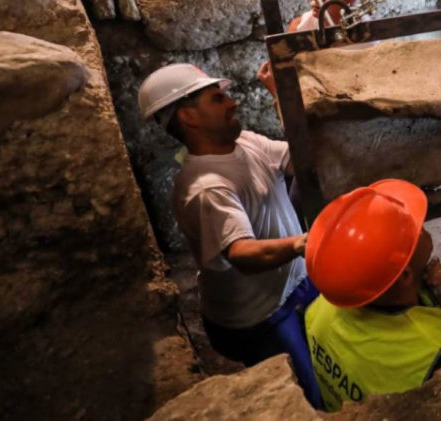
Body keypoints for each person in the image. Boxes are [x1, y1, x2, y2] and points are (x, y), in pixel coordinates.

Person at [137, 63, 322, 408]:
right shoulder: (207, 186)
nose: (233, 103)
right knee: (307, 397)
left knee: (334, 352)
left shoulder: (247, 143)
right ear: (190, 117)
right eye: (218, 98)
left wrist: (281, 97)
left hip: (295, 284)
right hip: (260, 317)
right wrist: (301, 242)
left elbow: (308, 161)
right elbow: (242, 253)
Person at [304, 179, 441, 410]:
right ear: (404, 276)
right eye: (414, 229)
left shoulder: (320, 307)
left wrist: (431, 294)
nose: (421, 224)